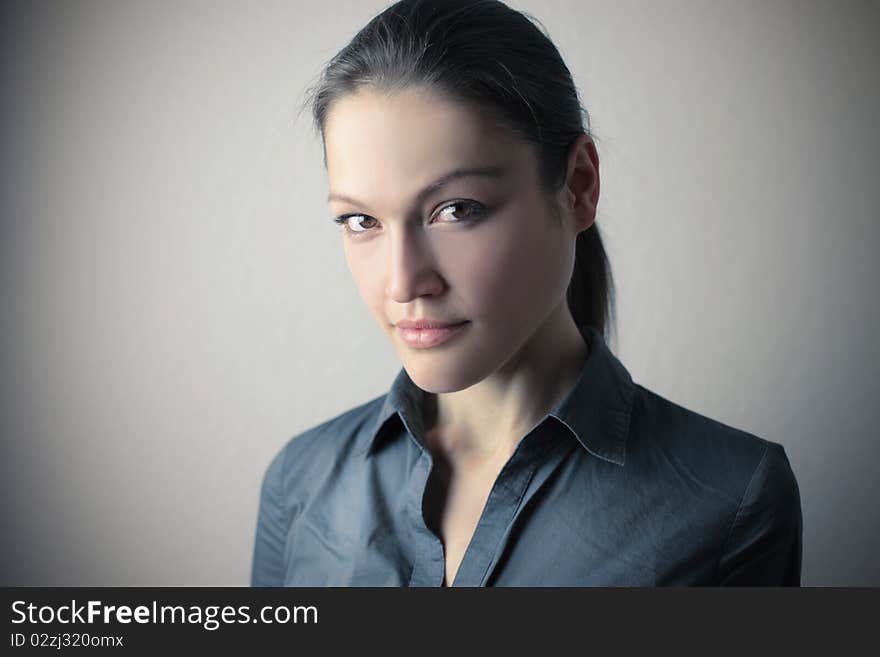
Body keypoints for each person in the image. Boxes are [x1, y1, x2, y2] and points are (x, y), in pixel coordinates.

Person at [251, 0, 802, 587]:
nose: (403, 282)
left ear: (579, 187)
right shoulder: (301, 481)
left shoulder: (730, 502)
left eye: (456, 210)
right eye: (361, 221)